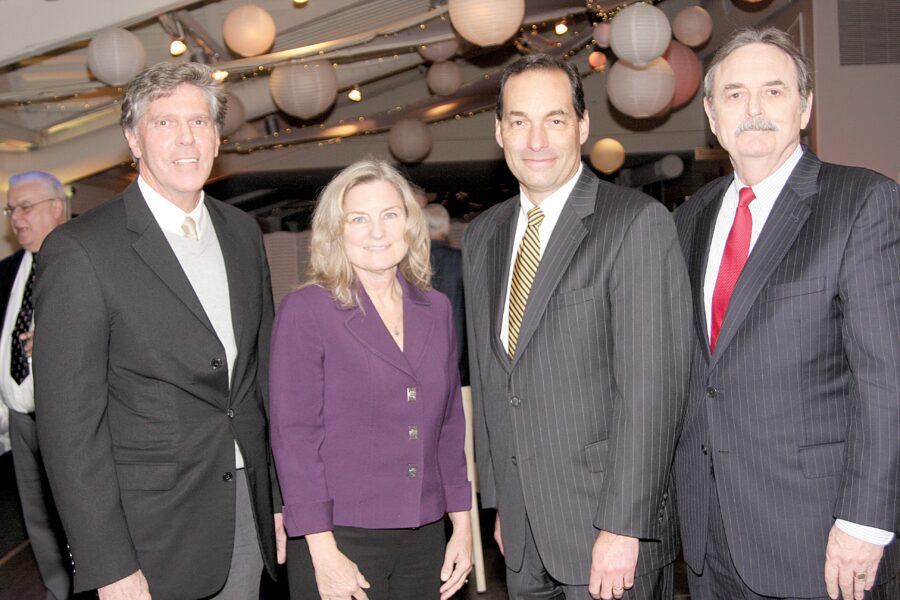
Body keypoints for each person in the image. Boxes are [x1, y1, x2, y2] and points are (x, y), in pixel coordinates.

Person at [33, 62, 285, 599]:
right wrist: (108, 563)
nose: (186, 138)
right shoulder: (81, 250)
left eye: (198, 121)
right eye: (165, 123)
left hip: (243, 509)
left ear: (217, 138)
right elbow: (68, 430)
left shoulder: (242, 233)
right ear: (133, 139)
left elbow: (259, 382)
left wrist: (280, 502)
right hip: (145, 533)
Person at [672, 27, 899, 600]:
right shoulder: (688, 219)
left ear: (805, 107)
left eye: (773, 92)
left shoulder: (861, 202)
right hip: (709, 539)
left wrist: (864, 523)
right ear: (711, 115)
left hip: (821, 539)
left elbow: (886, 378)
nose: (753, 110)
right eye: (734, 94)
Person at [462, 53, 692, 600]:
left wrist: (624, 526)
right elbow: (495, 380)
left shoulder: (634, 223)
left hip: (607, 534)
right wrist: (502, 504)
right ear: (499, 131)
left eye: (555, 119)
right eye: (519, 121)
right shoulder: (482, 237)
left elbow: (653, 392)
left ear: (584, 125)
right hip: (523, 537)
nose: (535, 139)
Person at [269, 158, 472, 600]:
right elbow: (294, 438)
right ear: (334, 232)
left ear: (409, 224)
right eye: (357, 219)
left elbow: (449, 423)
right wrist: (322, 550)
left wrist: (462, 523)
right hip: (342, 537)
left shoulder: (435, 309)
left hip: (426, 534)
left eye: (389, 215)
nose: (376, 232)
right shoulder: (307, 311)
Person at [1, 171, 71, 599]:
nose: (16, 218)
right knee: (37, 519)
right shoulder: (7, 272)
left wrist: (55, 340)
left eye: (26, 207)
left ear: (57, 208)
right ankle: (56, 591)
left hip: (67, 416)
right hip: (20, 419)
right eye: (11, 209)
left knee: (74, 515)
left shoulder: (82, 260)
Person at [422, 203, 467, 385]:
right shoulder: (463, 261)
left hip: (421, 359)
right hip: (460, 358)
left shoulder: (408, 265)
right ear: (448, 227)